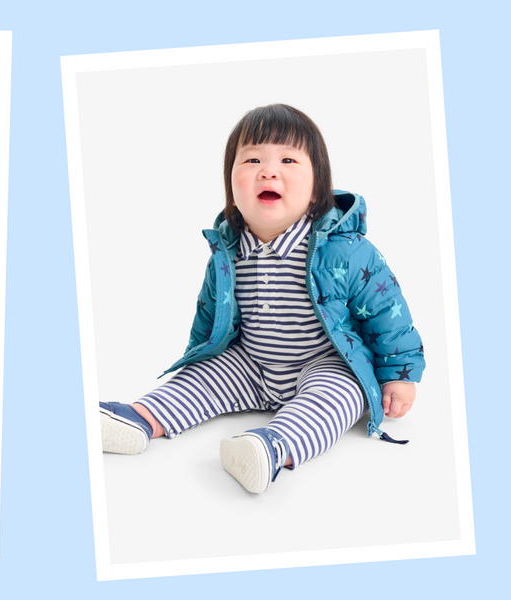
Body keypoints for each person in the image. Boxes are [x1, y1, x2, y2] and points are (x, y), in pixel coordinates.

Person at [99, 104, 423, 494]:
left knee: (340, 396)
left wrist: (400, 375)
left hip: (323, 364)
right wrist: (200, 356)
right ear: (231, 186)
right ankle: (141, 419)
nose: (269, 171)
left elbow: (389, 314)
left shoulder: (346, 251)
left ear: (318, 186)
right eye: (252, 159)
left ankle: (271, 447)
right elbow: (208, 314)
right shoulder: (229, 250)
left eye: (288, 159)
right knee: (202, 377)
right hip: (250, 363)